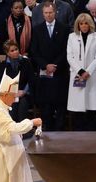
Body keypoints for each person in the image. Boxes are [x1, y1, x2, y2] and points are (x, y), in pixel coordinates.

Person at [31, 1, 69, 131]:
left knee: (60, 103)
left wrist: (55, 65)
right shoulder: (37, 29)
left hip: (60, 71)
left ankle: (60, 129)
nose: (48, 15)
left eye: (50, 12)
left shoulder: (64, 28)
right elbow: (34, 51)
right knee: (46, 104)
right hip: (44, 73)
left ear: (55, 12)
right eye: (46, 13)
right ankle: (48, 129)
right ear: (42, 14)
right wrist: (45, 65)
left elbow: (66, 50)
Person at [67, 13, 96, 131]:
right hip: (77, 74)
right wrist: (81, 71)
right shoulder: (72, 37)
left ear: (90, 24)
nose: (84, 26)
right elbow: (69, 57)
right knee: (78, 106)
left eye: (86, 23)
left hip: (90, 75)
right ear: (78, 25)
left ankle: (91, 132)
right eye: (81, 23)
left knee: (91, 104)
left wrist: (88, 71)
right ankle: (79, 133)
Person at [0, 40, 35, 123]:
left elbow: (31, 79)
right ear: (7, 53)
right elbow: (0, 82)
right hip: (9, 94)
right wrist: (11, 93)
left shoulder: (26, 62)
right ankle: (12, 131)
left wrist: (24, 91)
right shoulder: (4, 65)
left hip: (24, 93)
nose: (15, 52)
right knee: (12, 106)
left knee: (23, 103)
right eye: (12, 50)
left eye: (16, 49)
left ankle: (23, 132)